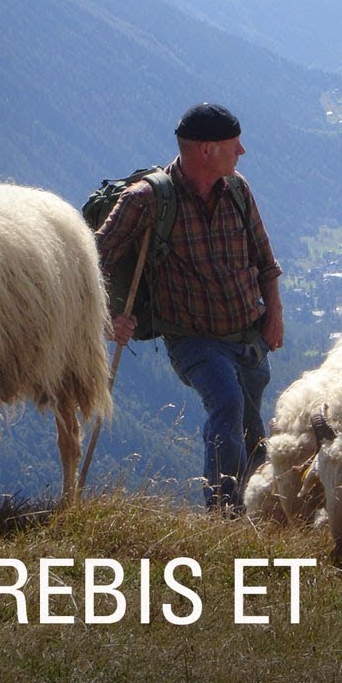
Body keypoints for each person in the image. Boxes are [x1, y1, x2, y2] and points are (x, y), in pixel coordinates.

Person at [95, 103, 283, 512]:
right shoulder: (146, 199)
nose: (243, 152)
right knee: (228, 405)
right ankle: (223, 512)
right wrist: (109, 318)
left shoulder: (237, 189)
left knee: (251, 429)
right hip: (194, 339)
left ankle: (261, 514)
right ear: (207, 150)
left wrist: (275, 315)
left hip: (249, 335)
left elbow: (265, 261)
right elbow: (94, 259)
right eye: (235, 144)